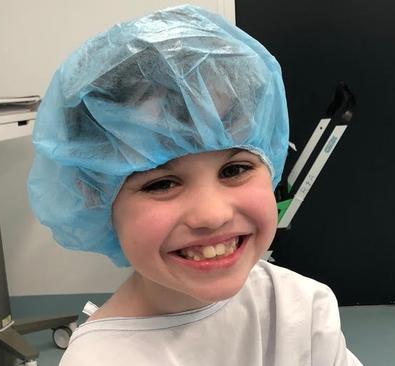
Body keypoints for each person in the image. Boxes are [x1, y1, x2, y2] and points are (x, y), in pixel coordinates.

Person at [27, 5, 362, 366]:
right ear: (94, 193)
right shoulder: (99, 359)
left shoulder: (300, 309)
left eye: (234, 170)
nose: (212, 214)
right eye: (162, 183)